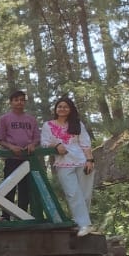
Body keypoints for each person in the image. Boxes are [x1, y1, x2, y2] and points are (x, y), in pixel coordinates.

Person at [41, 96, 95, 235]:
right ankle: (85, 224)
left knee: (85, 194)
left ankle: (81, 223)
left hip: (82, 161)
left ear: (70, 109)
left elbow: (85, 143)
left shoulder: (77, 124)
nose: (62, 109)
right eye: (59, 106)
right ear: (56, 109)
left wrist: (90, 160)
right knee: (72, 193)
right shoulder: (48, 125)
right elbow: (44, 143)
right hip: (63, 163)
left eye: (65, 106)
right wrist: (57, 145)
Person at [0, 90, 39, 214]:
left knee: (25, 188)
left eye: (21, 100)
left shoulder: (31, 119)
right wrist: (11, 147)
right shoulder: (4, 119)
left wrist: (32, 144)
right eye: (16, 100)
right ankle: (6, 216)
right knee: (9, 187)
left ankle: (23, 214)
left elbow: (37, 138)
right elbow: (0, 139)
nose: (19, 102)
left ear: (25, 102)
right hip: (12, 158)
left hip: (28, 158)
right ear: (11, 102)